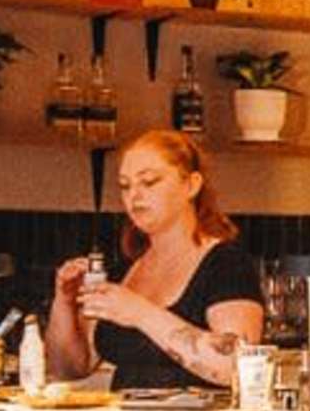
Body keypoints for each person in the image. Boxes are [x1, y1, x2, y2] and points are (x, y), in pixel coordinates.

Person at [46, 129, 266, 392]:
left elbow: (238, 365)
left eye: (149, 182)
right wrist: (64, 302)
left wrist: (139, 312)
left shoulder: (226, 263)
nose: (134, 196)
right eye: (125, 186)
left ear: (191, 185)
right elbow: (68, 369)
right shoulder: (125, 270)